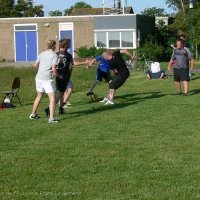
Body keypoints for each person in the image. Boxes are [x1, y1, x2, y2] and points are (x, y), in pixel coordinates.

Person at [29, 40, 58, 123]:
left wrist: (42, 70)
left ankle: (33, 114)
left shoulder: (42, 53)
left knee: (39, 96)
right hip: (47, 79)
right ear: (54, 46)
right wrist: (55, 74)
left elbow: (35, 65)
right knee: (52, 98)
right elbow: (53, 68)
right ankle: (51, 118)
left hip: (38, 78)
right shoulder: (54, 55)